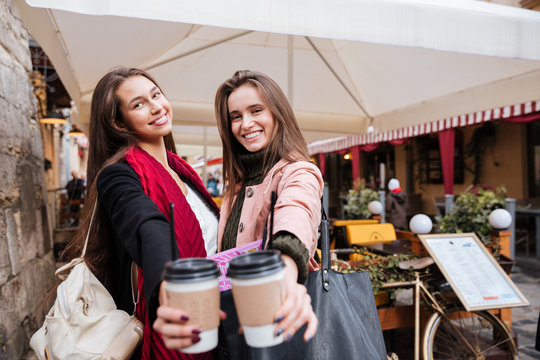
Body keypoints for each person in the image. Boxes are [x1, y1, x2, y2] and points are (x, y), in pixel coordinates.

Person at [63, 67, 221, 360]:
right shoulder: (117, 176)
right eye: (138, 104)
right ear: (118, 123)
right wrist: (168, 288)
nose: (156, 106)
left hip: (217, 321)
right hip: (170, 324)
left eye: (156, 94)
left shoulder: (184, 172)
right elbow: (149, 226)